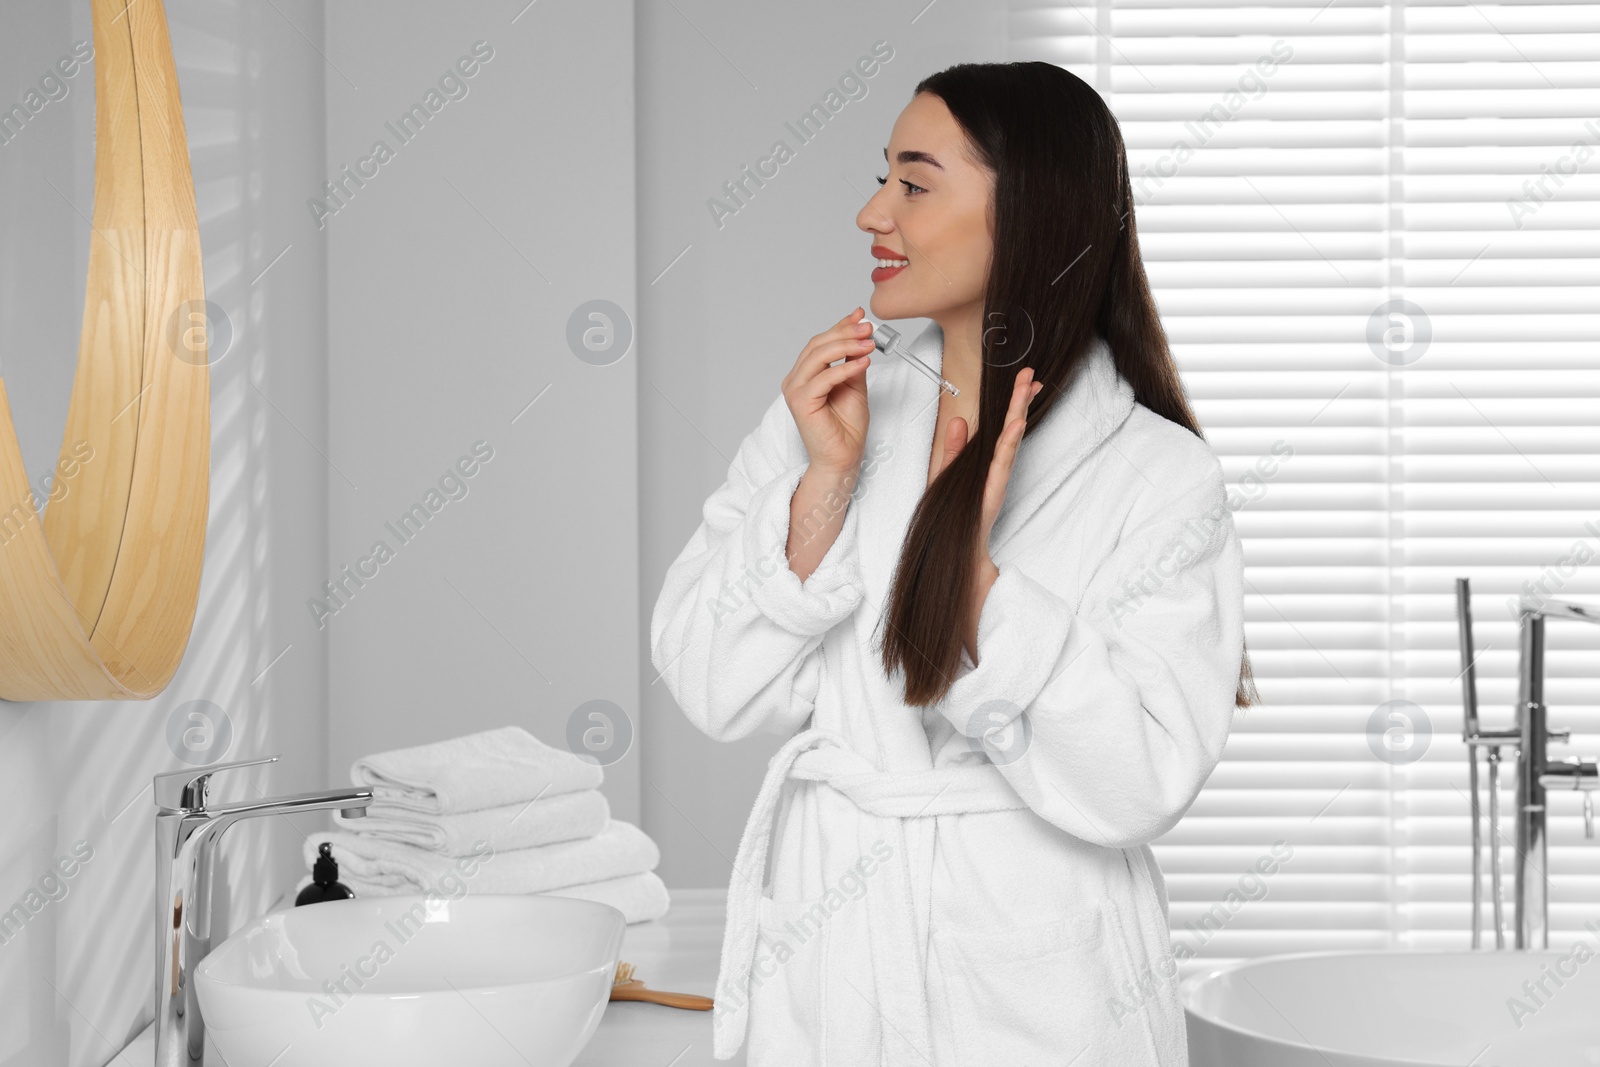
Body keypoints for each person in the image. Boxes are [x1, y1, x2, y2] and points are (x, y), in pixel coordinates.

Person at [650, 60, 1255, 1066]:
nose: (869, 213)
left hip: (1034, 982)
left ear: (1029, 212)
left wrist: (975, 584)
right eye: (881, 177)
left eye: (913, 184)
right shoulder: (832, 414)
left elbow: (1140, 778)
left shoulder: (1156, 473)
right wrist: (824, 485)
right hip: (826, 958)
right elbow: (712, 686)